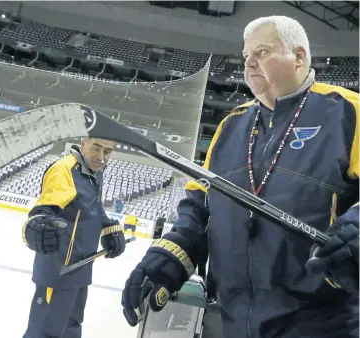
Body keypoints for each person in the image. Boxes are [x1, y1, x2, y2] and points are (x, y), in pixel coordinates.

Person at [121, 15, 359, 338]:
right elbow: (198, 212)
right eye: (246, 56)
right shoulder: (229, 127)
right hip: (232, 323)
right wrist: (169, 258)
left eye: (262, 52)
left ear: (299, 57)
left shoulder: (347, 112)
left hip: (322, 324)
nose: (249, 64)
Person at [22, 138, 126, 338]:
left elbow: (91, 208)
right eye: (96, 148)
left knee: (71, 329)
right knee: (44, 333)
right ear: (84, 142)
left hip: (81, 269)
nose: (101, 157)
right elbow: (44, 211)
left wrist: (108, 227)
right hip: (59, 271)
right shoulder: (65, 169)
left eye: (108, 152)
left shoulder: (95, 171)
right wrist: (35, 227)